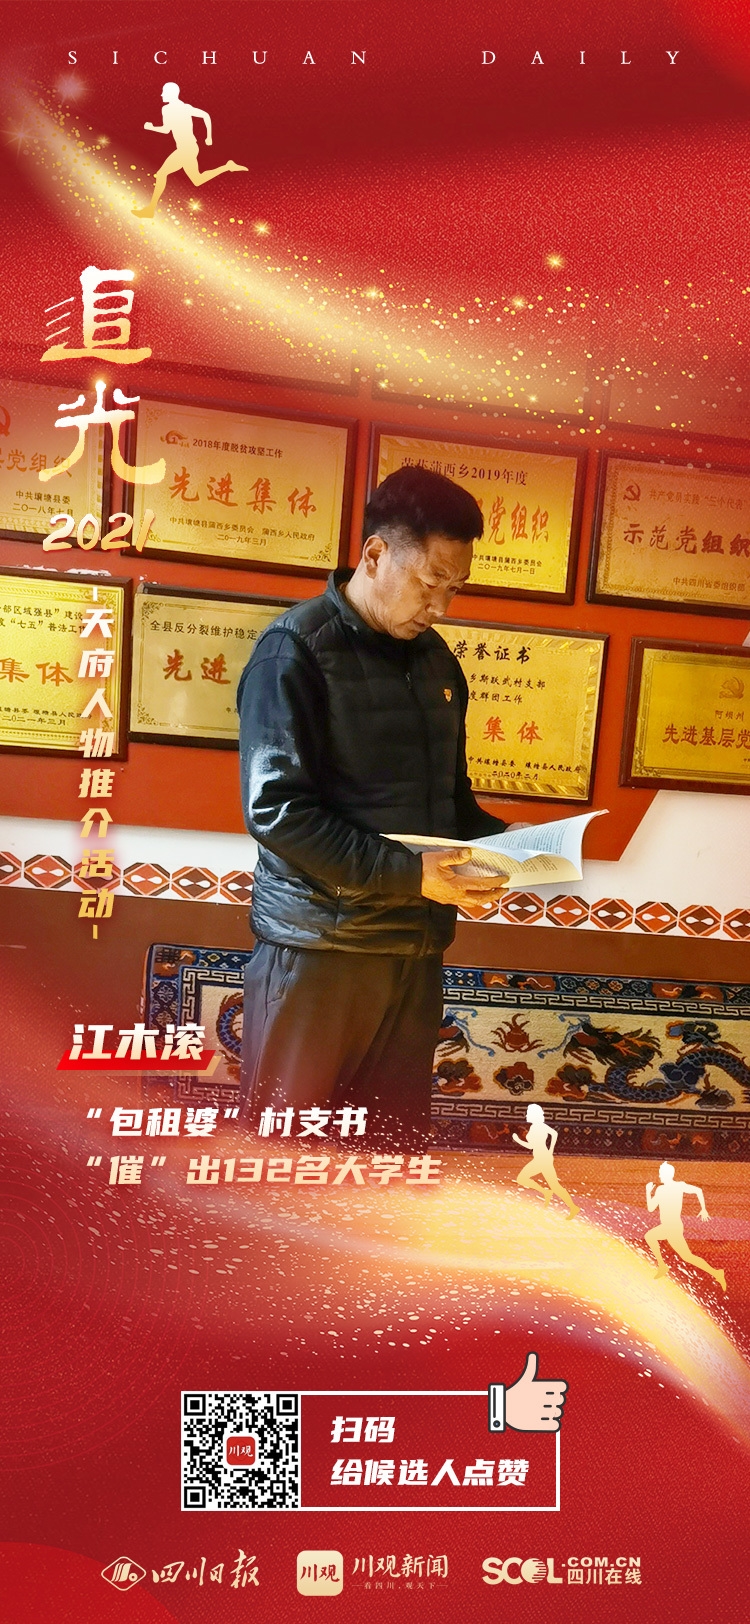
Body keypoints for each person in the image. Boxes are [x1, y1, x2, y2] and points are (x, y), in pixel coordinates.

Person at [236, 464, 522, 1145]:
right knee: (287, 1159)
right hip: (320, 951)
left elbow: (449, 803)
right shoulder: (294, 649)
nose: (442, 605)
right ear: (374, 554)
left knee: (385, 1158)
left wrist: (508, 843)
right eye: (431, 581)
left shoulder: (436, 662)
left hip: (413, 950)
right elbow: (278, 812)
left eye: (456, 587)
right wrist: (411, 874)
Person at [133, 83, 247, 218]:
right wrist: (152, 128)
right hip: (186, 148)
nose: (161, 95)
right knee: (197, 179)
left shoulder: (181, 108)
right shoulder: (170, 109)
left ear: (171, 94)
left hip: (187, 148)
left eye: (164, 92)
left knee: (162, 174)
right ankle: (227, 166)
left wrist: (209, 137)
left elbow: (205, 116)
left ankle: (150, 209)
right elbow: (168, 129)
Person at [644, 1162, 726, 1290]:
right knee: (687, 1256)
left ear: (667, 1174)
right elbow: (650, 1208)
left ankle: (662, 1266)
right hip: (671, 1226)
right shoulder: (664, 1189)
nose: (659, 1176)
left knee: (650, 1236)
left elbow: (698, 1190)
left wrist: (703, 1209)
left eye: (661, 1173)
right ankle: (716, 1273)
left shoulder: (676, 1187)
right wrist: (648, 1192)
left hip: (672, 1226)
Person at [512, 1102, 580, 1218]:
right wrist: (550, 1151)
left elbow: (536, 1143)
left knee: (522, 1178)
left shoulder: (538, 1127)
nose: (527, 1115)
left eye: (528, 1113)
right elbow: (552, 1134)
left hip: (542, 1158)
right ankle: (567, 1204)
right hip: (542, 1157)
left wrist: (518, 1140)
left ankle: (548, 1194)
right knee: (554, 1185)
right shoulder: (536, 1126)